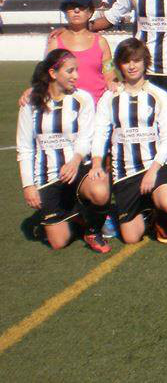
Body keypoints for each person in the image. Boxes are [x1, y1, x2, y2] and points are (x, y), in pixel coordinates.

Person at [17, 49, 111, 252]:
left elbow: (86, 137)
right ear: (53, 73)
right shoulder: (30, 103)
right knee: (59, 243)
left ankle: (93, 230)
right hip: (47, 176)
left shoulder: (82, 99)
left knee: (100, 191)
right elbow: (25, 147)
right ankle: (77, 214)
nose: (76, 76)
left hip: (77, 170)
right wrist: (28, 186)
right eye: (70, 71)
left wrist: (76, 160)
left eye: (77, 70)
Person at [91, 38, 167, 244]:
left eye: (137, 60)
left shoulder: (159, 95)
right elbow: (100, 132)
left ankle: (160, 216)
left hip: (153, 167)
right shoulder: (110, 97)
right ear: (119, 65)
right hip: (124, 172)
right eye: (126, 61)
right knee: (131, 238)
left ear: (145, 62)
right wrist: (97, 162)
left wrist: (153, 170)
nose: (132, 66)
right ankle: (146, 212)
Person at [45, 0, 116, 103]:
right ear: (65, 12)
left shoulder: (101, 42)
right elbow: (46, 75)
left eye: (81, 7)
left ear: (90, 12)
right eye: (71, 7)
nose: (76, 10)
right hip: (66, 108)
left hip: (96, 109)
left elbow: (110, 75)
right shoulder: (55, 42)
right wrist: (34, 91)